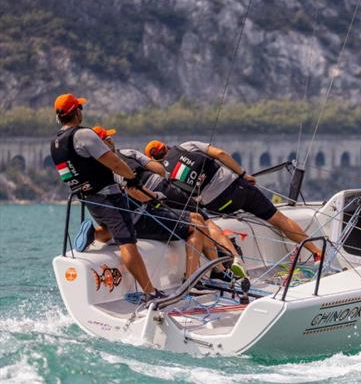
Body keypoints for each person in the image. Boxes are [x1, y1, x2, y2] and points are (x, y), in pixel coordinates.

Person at [93, 127, 246, 278]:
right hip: (158, 190)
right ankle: (232, 259)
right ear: (106, 142)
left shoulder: (101, 170)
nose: (111, 140)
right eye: (108, 138)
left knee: (193, 221)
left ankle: (217, 267)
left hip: (146, 203)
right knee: (204, 221)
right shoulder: (126, 153)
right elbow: (159, 170)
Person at [50, 94, 161, 299]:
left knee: (113, 231)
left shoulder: (55, 143)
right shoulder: (84, 135)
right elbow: (114, 162)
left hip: (87, 197)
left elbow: (69, 174)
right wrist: (132, 178)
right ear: (76, 112)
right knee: (127, 241)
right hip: (107, 196)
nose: (82, 112)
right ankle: (150, 292)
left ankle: (93, 233)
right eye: (80, 108)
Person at [144, 140, 323, 264]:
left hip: (217, 204)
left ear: (153, 159)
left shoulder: (164, 173)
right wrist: (243, 174)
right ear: (166, 146)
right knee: (278, 219)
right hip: (238, 189)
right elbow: (220, 154)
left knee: (212, 223)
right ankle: (316, 252)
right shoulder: (186, 146)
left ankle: (232, 259)